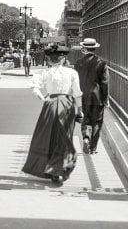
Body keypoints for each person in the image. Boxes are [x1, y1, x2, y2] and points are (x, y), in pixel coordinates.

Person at [22, 44, 83, 185]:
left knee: (48, 136)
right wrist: (80, 110)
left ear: (49, 60)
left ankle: (50, 168)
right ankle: (59, 170)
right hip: (66, 105)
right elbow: (77, 93)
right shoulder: (72, 73)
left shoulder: (45, 73)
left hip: (50, 105)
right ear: (63, 59)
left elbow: (33, 86)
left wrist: (43, 98)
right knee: (64, 137)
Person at [74, 37, 109, 155]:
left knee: (85, 119)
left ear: (84, 48)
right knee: (97, 122)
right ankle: (93, 147)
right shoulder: (101, 63)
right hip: (97, 97)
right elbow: (105, 83)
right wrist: (105, 99)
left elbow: (76, 81)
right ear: (95, 49)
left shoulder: (78, 63)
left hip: (83, 96)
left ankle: (86, 138)